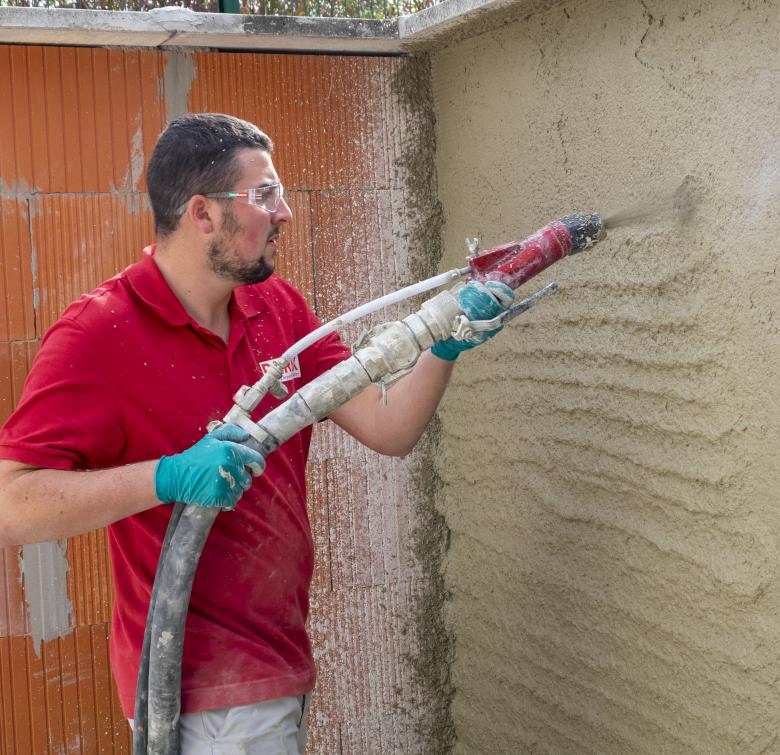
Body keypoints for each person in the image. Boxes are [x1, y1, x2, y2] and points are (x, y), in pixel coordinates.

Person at [0, 113, 512, 753]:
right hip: (195, 680)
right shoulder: (99, 334)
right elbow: (12, 505)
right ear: (203, 214)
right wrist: (167, 476)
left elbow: (388, 427)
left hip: (276, 656)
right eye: (265, 195)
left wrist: (447, 342)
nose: (286, 213)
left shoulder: (279, 310)